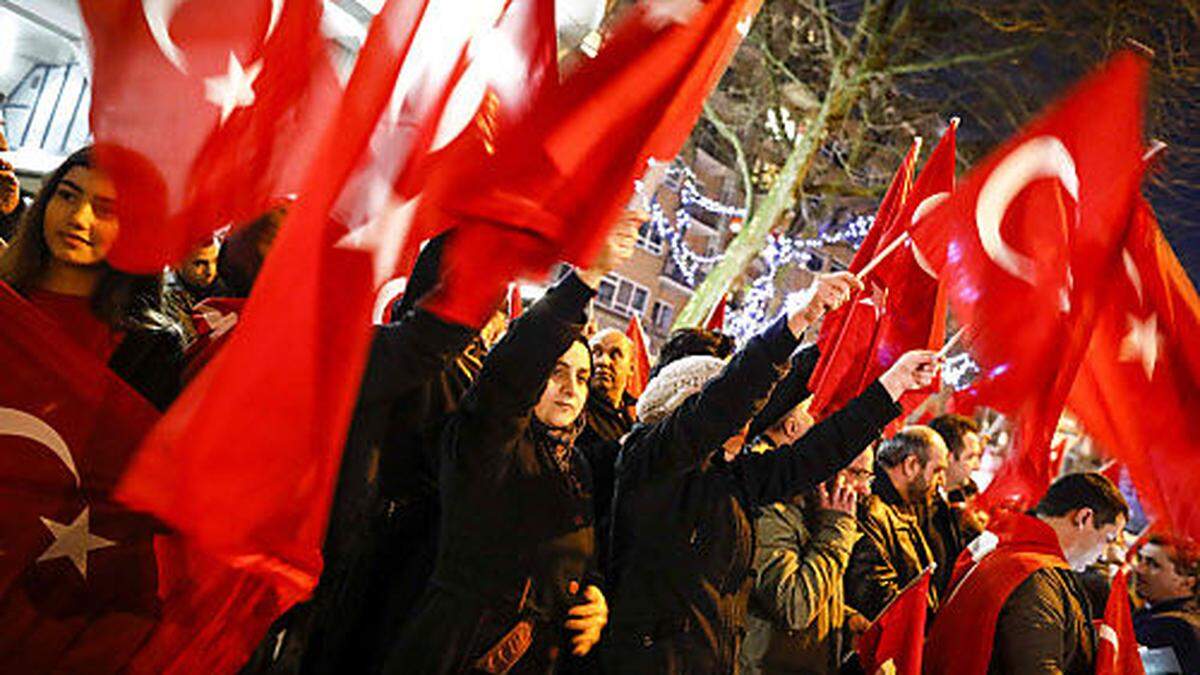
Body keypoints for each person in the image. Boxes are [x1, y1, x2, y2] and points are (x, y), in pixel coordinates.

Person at [604, 270, 940, 674]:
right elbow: (729, 399)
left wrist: (893, 383)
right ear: (681, 413)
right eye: (733, 408)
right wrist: (797, 320)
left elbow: (816, 453)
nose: (749, 419)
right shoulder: (649, 460)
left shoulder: (732, 477)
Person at [386, 224, 637, 674]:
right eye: (557, 372)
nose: (570, 388)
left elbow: (580, 558)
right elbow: (510, 373)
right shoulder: (489, 439)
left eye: (581, 377)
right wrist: (585, 280)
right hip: (458, 651)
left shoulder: (574, 462)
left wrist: (595, 594)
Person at [0, 146, 182, 410]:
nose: (78, 218)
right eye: (67, 196)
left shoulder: (150, 345)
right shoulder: (8, 296)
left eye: (105, 209)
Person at [924, 472, 1129, 675]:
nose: (1103, 554)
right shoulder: (1035, 578)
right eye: (1108, 538)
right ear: (1084, 517)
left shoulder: (1005, 546)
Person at [740, 446, 876, 675]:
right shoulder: (773, 514)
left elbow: (813, 589)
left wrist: (844, 617)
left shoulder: (816, 515)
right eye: (855, 473)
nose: (864, 489)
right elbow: (794, 607)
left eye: (868, 476)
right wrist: (836, 531)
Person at [845, 426, 946, 619]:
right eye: (937, 470)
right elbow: (875, 595)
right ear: (911, 465)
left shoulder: (903, 507)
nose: (942, 480)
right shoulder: (871, 511)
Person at [1133, 534, 1200, 674]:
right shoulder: (1154, 613)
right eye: (1140, 559)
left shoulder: (1173, 630)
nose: (1139, 569)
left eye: (1153, 564)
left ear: (1187, 582)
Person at [163, 236, 220, 346]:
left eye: (215, 261)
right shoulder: (166, 297)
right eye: (199, 264)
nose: (210, 271)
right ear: (176, 262)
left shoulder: (223, 285)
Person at [928, 414, 983, 506]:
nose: (977, 466)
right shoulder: (917, 505)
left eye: (978, 456)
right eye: (970, 457)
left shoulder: (967, 493)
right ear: (946, 457)